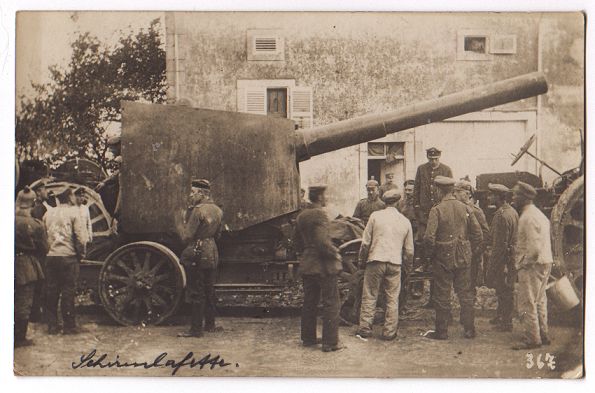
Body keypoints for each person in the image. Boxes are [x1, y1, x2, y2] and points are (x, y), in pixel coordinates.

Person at [423, 176, 482, 340]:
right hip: (463, 256)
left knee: (442, 294)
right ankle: (469, 329)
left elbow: (429, 238)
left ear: (438, 190)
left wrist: (431, 255)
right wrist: (470, 250)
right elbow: (478, 234)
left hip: (443, 258)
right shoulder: (466, 208)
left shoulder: (437, 210)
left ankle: (441, 331)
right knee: (465, 294)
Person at [355, 189, 414, 340]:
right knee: (393, 298)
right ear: (398, 203)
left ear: (384, 202)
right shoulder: (405, 221)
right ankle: (389, 332)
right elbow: (409, 251)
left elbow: (365, 243)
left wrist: (362, 261)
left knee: (370, 295)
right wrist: (408, 268)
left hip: (375, 261)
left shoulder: (375, 216)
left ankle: (365, 329)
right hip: (395, 263)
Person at [296, 185, 344, 352]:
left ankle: (308, 338)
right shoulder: (320, 214)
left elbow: (296, 241)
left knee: (310, 301)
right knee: (331, 302)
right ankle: (330, 343)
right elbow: (323, 242)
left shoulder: (301, 216)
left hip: (307, 263)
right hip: (323, 265)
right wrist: (336, 254)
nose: (326, 198)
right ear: (319, 197)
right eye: (324, 195)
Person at [177, 179, 224, 338]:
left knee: (196, 290)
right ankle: (210, 325)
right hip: (212, 252)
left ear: (202, 194)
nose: (191, 195)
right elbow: (218, 234)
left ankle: (196, 330)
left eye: (193, 192)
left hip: (197, 252)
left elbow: (187, 236)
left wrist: (179, 224)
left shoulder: (198, 210)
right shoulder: (218, 210)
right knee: (209, 289)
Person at [511, 181, 553, 350]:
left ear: (524, 197)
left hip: (532, 265)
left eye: (515, 195)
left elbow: (533, 249)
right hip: (545, 262)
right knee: (540, 300)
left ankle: (532, 339)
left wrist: (523, 263)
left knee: (527, 302)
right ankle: (544, 334)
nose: (513, 198)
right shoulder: (539, 214)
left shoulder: (527, 217)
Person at [44, 188, 87, 335]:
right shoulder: (74, 213)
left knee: (52, 291)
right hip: (68, 257)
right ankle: (69, 326)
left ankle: (52, 326)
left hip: (51, 257)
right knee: (68, 291)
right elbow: (80, 238)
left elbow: (44, 235)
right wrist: (81, 255)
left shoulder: (48, 213)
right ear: (69, 197)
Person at [414, 147, 453, 308]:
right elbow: (417, 190)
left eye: (435, 159)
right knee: (422, 241)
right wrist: (418, 210)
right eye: (431, 159)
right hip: (424, 214)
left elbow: (450, 190)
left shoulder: (446, 170)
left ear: (440, 157)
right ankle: (423, 269)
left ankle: (437, 296)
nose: (433, 162)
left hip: (441, 214)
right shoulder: (421, 169)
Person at [15, 187, 48, 347]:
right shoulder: (36, 225)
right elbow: (44, 249)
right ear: (33, 204)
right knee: (23, 302)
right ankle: (19, 338)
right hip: (26, 267)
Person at [485, 183, 518, 332]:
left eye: (492, 195)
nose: (488, 197)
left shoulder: (501, 215)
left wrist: (494, 264)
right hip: (511, 257)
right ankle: (501, 316)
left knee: (504, 290)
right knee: (504, 289)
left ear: (499, 197)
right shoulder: (512, 211)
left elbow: (500, 243)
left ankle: (506, 322)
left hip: (503, 258)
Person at [453, 180, 490, 290]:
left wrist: (477, 251)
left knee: (469, 285)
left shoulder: (475, 211)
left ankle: (470, 305)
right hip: (460, 254)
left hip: (472, 254)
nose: (455, 194)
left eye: (458, 191)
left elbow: (486, 233)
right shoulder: (458, 208)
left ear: (467, 194)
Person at [397, 179, 420, 306]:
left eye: (410, 190)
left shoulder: (419, 203)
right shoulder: (401, 204)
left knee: (414, 263)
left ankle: (416, 289)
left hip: (414, 235)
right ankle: (403, 293)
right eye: (406, 190)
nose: (408, 192)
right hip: (402, 236)